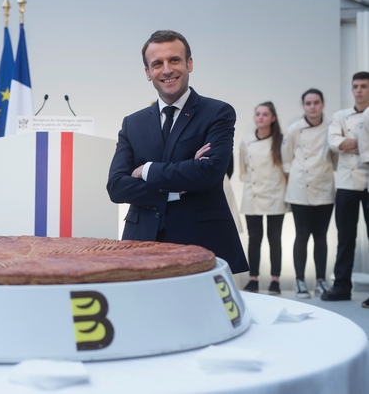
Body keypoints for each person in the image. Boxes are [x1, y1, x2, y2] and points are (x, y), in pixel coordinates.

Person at [106, 30, 248, 274]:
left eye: (174, 60)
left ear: (189, 64)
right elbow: (117, 186)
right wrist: (179, 182)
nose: (167, 70)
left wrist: (147, 170)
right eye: (157, 64)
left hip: (201, 240)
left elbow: (209, 172)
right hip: (141, 244)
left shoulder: (218, 113)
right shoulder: (133, 123)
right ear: (148, 73)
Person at [282, 89, 335, 298]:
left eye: (316, 102)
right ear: (303, 106)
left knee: (321, 237)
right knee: (302, 235)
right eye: (308, 103)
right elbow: (286, 159)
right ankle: (300, 281)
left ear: (322, 104)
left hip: (324, 186)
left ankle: (321, 280)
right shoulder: (294, 129)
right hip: (300, 188)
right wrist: (290, 182)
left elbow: (335, 156)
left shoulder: (332, 127)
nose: (312, 107)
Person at [321, 72, 369, 302]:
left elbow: (342, 144)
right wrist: (363, 145)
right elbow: (333, 143)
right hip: (346, 183)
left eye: (364, 86)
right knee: (345, 237)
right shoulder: (340, 115)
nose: (359, 90)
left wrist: (348, 145)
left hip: (368, 180)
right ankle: (341, 287)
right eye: (356, 86)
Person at [239, 102, 288, 295]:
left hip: (276, 194)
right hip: (253, 194)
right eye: (257, 114)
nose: (260, 117)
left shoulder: (281, 141)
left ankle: (275, 280)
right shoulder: (246, 141)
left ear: (273, 118)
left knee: (275, 239)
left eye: (265, 114)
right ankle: (253, 278)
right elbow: (242, 168)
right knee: (254, 238)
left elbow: (287, 170)